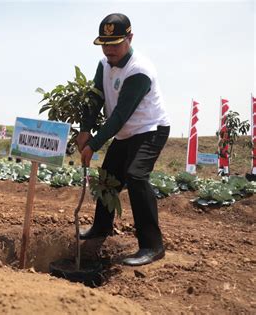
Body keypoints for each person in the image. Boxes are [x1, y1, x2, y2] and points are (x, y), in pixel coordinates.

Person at [77, 13, 170, 266]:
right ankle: (101, 228)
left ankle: (152, 246)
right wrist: (85, 129)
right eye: (105, 44)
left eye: (115, 43)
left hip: (151, 129)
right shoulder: (104, 63)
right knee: (108, 178)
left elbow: (119, 115)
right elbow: (96, 97)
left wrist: (94, 144)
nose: (109, 50)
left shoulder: (139, 70)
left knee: (137, 177)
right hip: (126, 132)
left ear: (130, 38)